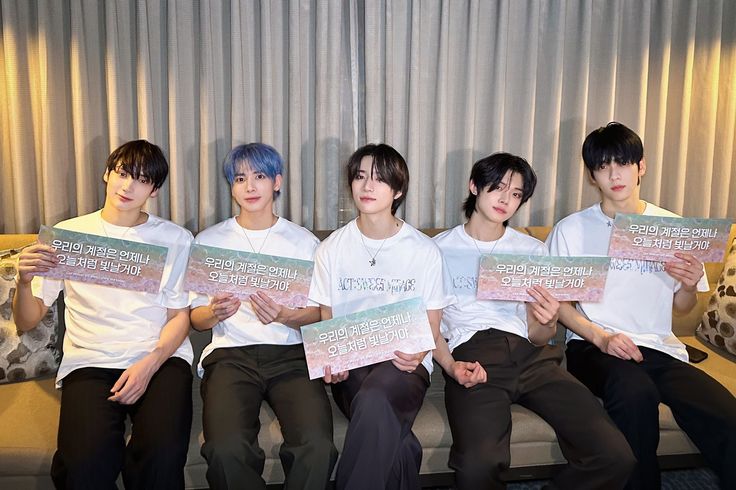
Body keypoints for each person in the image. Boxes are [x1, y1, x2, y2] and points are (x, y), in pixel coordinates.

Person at [547, 122, 736, 489]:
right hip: (593, 347)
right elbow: (560, 306)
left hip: (659, 348)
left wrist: (687, 282)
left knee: (725, 414)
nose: (614, 174)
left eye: (623, 162)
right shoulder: (571, 230)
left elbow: (682, 307)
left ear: (641, 166)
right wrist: (600, 338)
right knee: (635, 396)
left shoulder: (672, 226)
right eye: (603, 166)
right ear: (592, 176)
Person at [435, 152, 634, 489]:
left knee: (615, 456)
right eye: (497, 187)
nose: (505, 199)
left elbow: (540, 335)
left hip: (534, 359)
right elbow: (429, 326)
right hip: (475, 355)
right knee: (477, 466)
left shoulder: (532, 250)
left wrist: (545, 319)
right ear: (474, 187)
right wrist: (452, 365)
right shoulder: (437, 250)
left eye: (515, 194)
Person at [13, 140, 194, 489]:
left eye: (141, 180)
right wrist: (23, 282)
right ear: (106, 174)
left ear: (154, 190)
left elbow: (179, 317)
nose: (128, 186)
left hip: (159, 359)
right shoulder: (67, 236)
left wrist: (149, 364)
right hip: (91, 361)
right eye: (123, 173)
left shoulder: (175, 238)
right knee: (85, 467)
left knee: (161, 457)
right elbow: (27, 320)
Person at [310, 143, 477, 490]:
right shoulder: (330, 249)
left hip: (404, 365)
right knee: (397, 443)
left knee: (374, 401)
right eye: (360, 177)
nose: (367, 187)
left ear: (398, 189)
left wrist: (418, 353)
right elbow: (328, 324)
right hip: (352, 369)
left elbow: (431, 327)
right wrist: (333, 360)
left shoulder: (424, 251)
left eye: (379, 179)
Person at [190, 143, 337, 490]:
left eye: (259, 176)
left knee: (317, 447)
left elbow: (320, 313)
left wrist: (287, 316)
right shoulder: (209, 240)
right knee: (225, 450)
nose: (250, 186)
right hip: (230, 357)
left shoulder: (303, 242)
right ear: (232, 186)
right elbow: (195, 319)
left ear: (277, 182)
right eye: (240, 178)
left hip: (291, 356)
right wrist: (213, 312)